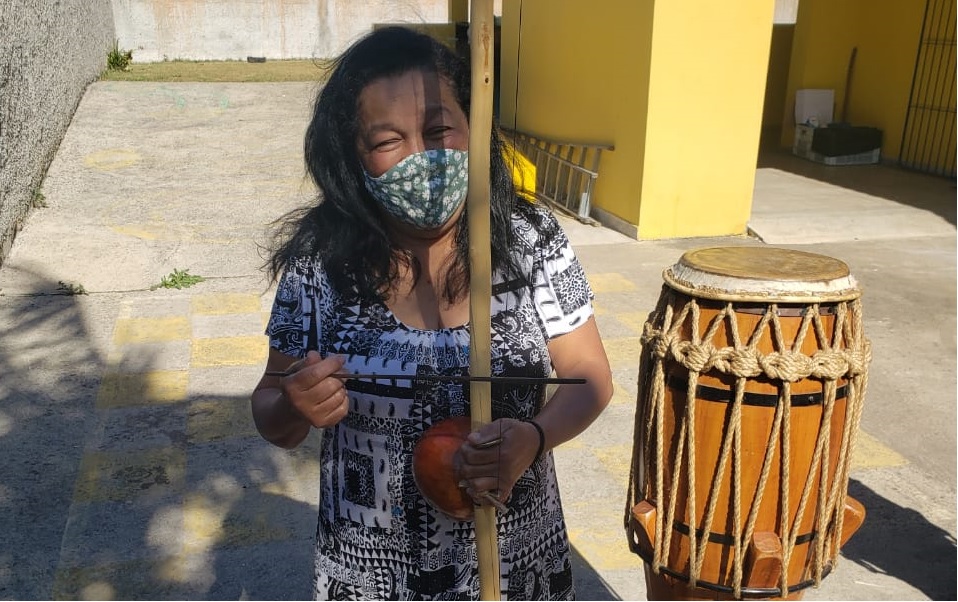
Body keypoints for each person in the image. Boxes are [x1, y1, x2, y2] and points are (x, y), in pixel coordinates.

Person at [250, 25, 613, 601]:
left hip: (514, 563)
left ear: (475, 129)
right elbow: (271, 412)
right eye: (388, 140)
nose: (422, 157)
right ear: (353, 155)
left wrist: (534, 438)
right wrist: (294, 405)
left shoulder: (530, 240)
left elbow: (590, 378)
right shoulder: (319, 265)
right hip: (371, 576)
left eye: (440, 129)